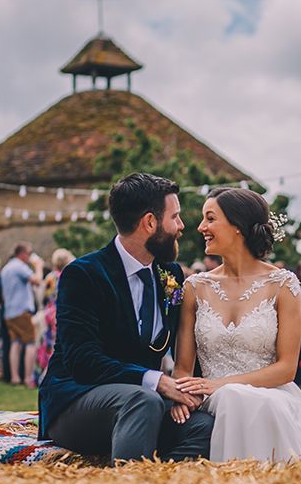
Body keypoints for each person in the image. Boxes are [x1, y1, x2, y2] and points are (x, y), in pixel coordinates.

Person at [39, 173, 213, 464]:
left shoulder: (170, 274)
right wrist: (157, 382)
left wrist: (182, 394)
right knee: (142, 400)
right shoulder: (83, 275)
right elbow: (82, 360)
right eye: (176, 217)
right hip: (77, 400)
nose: (182, 227)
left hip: (146, 402)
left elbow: (175, 345)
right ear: (149, 223)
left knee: (202, 426)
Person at [172, 187, 301, 463]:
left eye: (210, 219)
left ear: (237, 226)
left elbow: (286, 368)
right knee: (232, 398)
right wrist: (180, 394)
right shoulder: (195, 287)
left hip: (274, 395)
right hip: (214, 399)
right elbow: (182, 367)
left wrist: (221, 385)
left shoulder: (283, 284)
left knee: (237, 397)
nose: (201, 227)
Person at [0, 243, 43, 386]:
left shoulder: (6, 268)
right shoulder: (19, 266)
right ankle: (28, 378)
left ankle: (15, 377)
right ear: (22, 253)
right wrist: (38, 266)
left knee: (16, 343)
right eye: (29, 253)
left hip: (9, 312)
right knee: (30, 342)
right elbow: (37, 281)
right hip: (22, 311)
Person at [37, 248, 75, 379]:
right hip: (61, 312)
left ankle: (46, 372)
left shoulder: (50, 277)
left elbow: (42, 297)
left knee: (48, 344)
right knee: (59, 345)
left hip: (48, 313)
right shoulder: (69, 275)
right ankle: (49, 374)